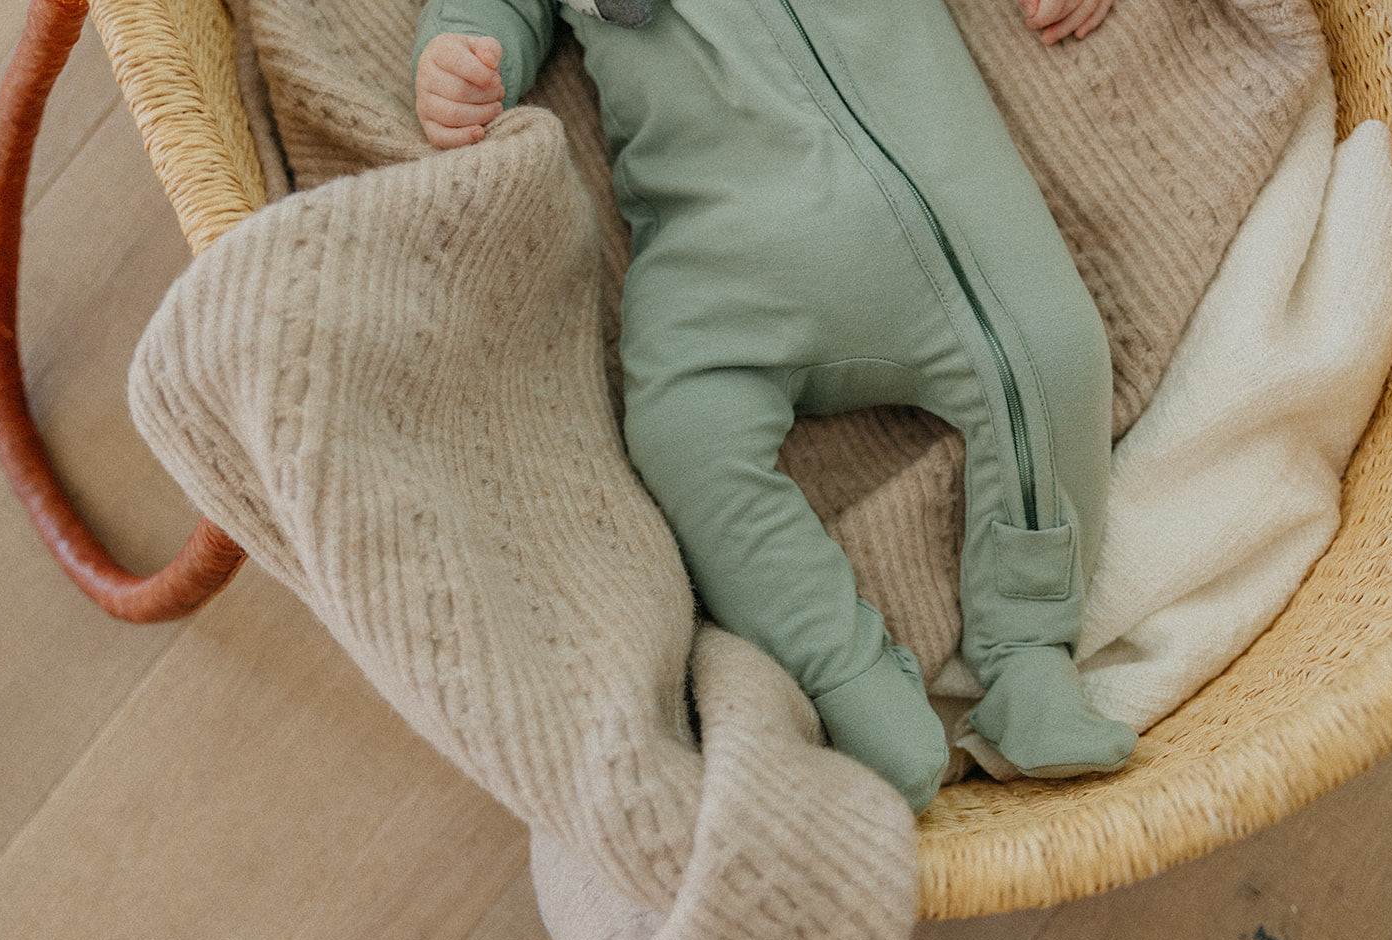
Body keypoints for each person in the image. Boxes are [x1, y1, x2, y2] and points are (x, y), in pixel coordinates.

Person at [414, 0, 1136, 812]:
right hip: (720, 246)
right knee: (680, 435)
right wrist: (458, 57)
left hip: (942, 217)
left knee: (1055, 357)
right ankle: (846, 675)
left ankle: (1030, 649)